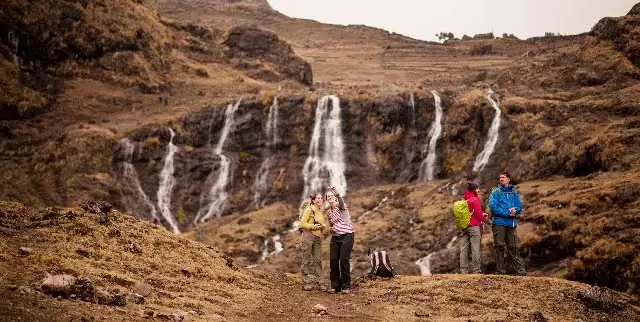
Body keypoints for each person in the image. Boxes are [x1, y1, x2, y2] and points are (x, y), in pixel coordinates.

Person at [488, 171, 526, 275]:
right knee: (499, 246)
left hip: (511, 224)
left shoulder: (514, 192)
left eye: (503, 177)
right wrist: (507, 213)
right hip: (499, 223)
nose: (501, 179)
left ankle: (520, 271)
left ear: (509, 179)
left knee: (513, 247)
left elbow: (519, 207)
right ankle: (500, 271)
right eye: (500, 177)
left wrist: (516, 210)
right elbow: (493, 207)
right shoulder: (495, 192)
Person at [325, 186, 355, 294]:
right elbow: (332, 224)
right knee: (333, 261)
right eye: (328, 196)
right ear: (327, 199)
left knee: (343, 260)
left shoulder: (342, 207)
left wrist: (336, 193)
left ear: (335, 197)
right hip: (335, 238)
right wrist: (331, 229)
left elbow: (341, 201)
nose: (330, 197)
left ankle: (346, 286)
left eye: (331, 196)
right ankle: (335, 286)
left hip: (347, 235)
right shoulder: (328, 212)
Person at [298, 193, 329, 291]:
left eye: (321, 198)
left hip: (318, 238)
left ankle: (321, 283)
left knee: (318, 261)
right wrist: (313, 227)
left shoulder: (321, 211)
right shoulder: (309, 210)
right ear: (313, 200)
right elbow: (302, 224)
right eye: (318, 198)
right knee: (307, 260)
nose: (320, 199)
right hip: (308, 237)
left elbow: (322, 224)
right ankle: (307, 282)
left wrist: (322, 227)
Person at [460, 182, 488, 274]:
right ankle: (476, 270)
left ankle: (463, 270)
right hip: (474, 226)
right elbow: (478, 213)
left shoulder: (464, 199)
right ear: (473, 190)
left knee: (464, 249)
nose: (479, 190)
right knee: (475, 248)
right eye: (477, 188)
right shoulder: (475, 199)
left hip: (465, 226)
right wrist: (485, 219)